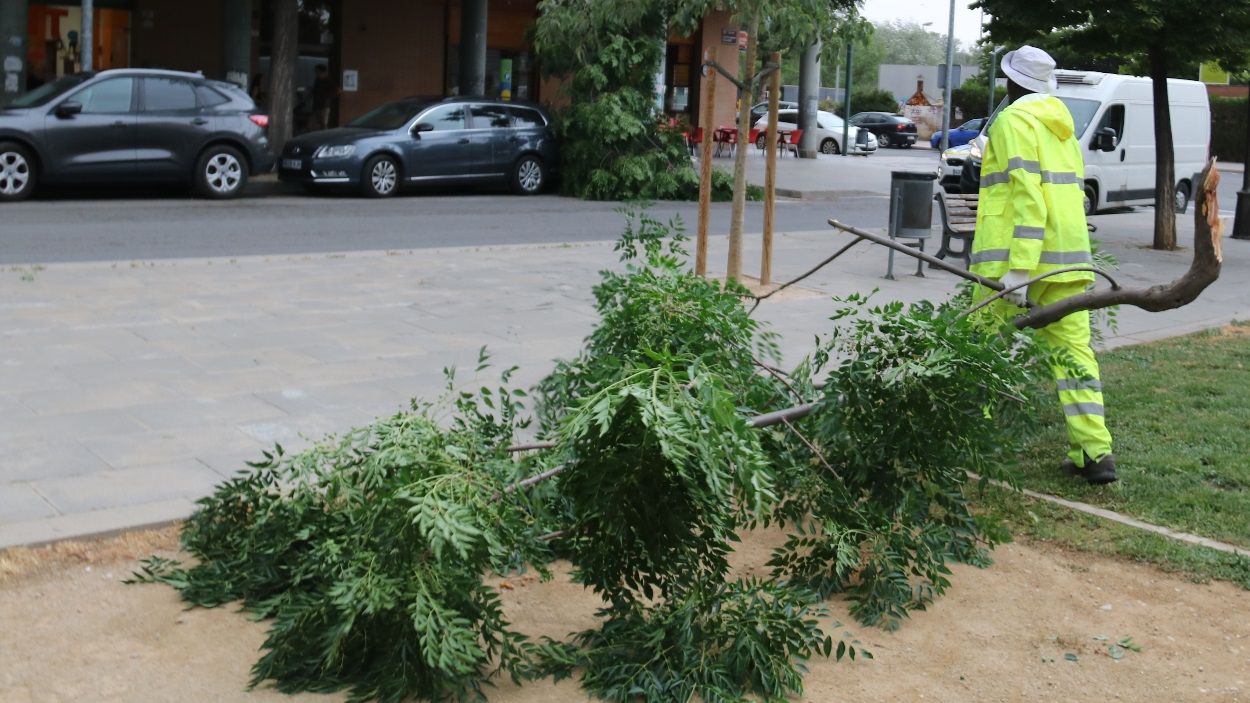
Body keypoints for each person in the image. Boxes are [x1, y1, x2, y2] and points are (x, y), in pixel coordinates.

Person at [970, 45, 1117, 485]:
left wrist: (1019, 269)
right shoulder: (1062, 130)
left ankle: (969, 438)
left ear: (1013, 83)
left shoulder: (1013, 121)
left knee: (979, 349)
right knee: (1075, 357)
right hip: (1068, 261)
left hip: (1011, 261)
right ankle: (1094, 453)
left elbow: (1028, 195)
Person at [310, 64, 338, 131]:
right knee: (311, 124)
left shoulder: (328, 80)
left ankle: (325, 137)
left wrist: (328, 97)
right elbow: (314, 91)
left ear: (323, 72)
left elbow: (337, 90)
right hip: (316, 106)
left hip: (324, 106)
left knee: (324, 124)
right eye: (316, 72)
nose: (316, 73)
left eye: (317, 72)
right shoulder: (317, 80)